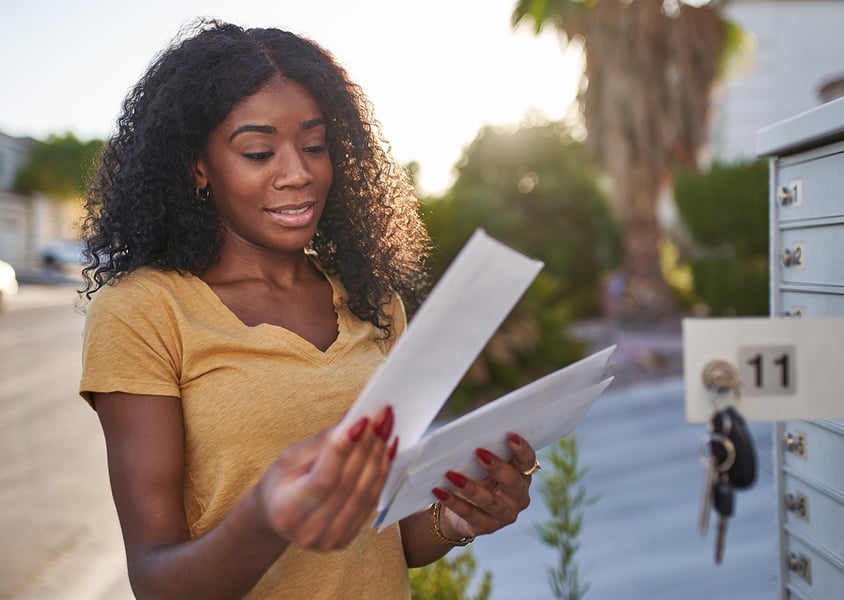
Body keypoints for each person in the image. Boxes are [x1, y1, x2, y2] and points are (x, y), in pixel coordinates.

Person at [78, 19, 540, 599]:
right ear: (198, 167)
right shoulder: (144, 312)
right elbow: (157, 582)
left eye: (315, 146)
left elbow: (389, 536)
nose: (298, 173)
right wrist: (266, 518)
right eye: (258, 151)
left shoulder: (370, 298)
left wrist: (459, 517)